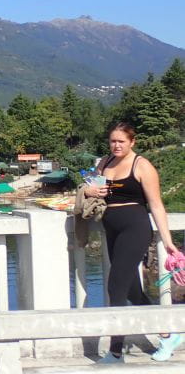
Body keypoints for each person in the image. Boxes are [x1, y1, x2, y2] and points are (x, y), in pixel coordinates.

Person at [82, 122, 181, 364]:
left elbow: (156, 204)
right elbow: (90, 188)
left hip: (135, 228)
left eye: (121, 141)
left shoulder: (142, 165)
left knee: (115, 287)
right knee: (132, 292)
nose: (116, 145)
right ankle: (168, 335)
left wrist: (168, 241)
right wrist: (90, 192)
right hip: (111, 228)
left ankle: (115, 352)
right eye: (113, 141)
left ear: (132, 142)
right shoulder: (104, 163)